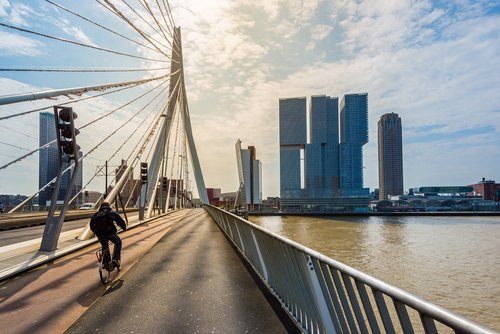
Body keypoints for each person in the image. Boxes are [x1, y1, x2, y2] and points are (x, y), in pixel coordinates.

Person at [90, 201, 127, 269]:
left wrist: (97, 233)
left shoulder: (95, 215)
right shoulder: (112, 213)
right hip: (110, 234)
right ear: (108, 206)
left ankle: (105, 263)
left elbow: (91, 226)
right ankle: (115, 259)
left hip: (100, 235)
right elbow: (120, 222)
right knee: (118, 242)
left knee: (104, 246)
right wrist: (124, 228)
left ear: (100, 207)